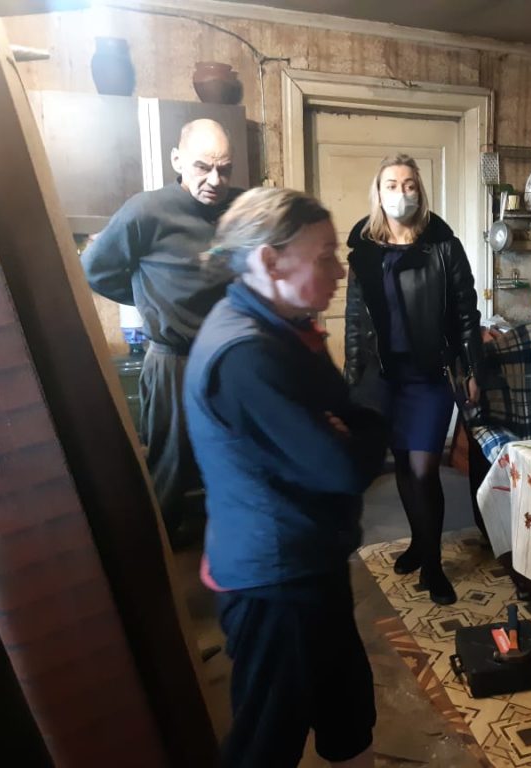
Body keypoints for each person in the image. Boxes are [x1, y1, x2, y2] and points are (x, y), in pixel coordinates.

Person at [184, 187, 387, 768]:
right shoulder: (246, 354)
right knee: (266, 743)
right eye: (325, 256)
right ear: (270, 261)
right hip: (274, 580)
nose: (340, 270)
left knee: (347, 713)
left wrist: (353, 427)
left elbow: (349, 416)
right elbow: (343, 467)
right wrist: (364, 430)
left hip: (311, 560)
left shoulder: (283, 326)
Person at [82, 118, 241, 544]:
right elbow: (95, 271)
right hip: (175, 361)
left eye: (224, 169)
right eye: (202, 166)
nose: (214, 180)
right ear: (177, 160)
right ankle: (158, 556)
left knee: (235, 457)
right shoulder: (145, 211)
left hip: (232, 361)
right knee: (169, 467)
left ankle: (232, 544)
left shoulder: (242, 208)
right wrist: (151, 299)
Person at [345, 154, 483, 606]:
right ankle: (420, 543)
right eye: (391, 184)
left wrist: (472, 368)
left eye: (409, 185)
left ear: (419, 192)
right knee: (403, 464)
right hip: (385, 376)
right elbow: (355, 321)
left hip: (430, 375)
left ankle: (434, 564)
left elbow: (466, 311)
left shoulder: (444, 245)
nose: (401, 193)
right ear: (378, 191)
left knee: (424, 470)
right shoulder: (365, 250)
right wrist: (353, 378)